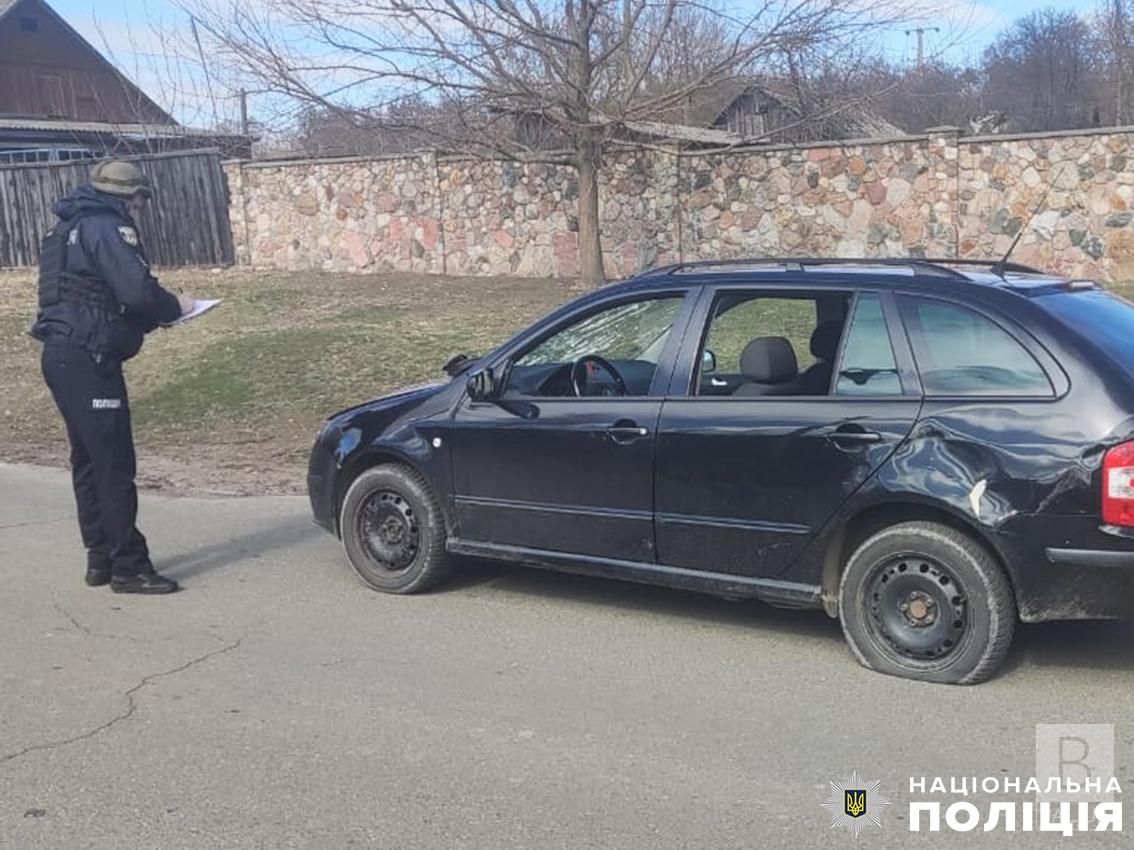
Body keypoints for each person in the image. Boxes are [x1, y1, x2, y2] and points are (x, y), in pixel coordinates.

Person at [30, 160, 195, 595]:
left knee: (88, 461)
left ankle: (100, 558)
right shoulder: (107, 227)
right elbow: (136, 291)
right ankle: (129, 567)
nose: (140, 208)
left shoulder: (64, 230)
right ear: (128, 197)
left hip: (62, 355)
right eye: (140, 199)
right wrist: (176, 307)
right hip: (90, 358)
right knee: (113, 463)